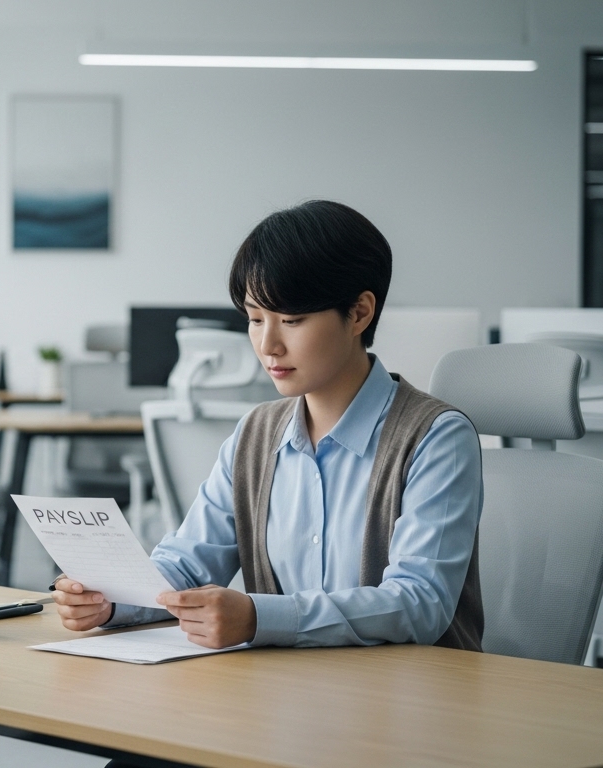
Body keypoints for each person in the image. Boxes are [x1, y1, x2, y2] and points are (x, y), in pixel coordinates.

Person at [53, 200, 483, 652]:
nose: (268, 344)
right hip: (285, 699)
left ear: (359, 313)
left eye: (291, 320)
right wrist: (112, 600)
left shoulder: (436, 437)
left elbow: (419, 602)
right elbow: (189, 563)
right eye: (256, 319)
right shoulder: (255, 434)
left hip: (410, 705)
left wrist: (260, 617)